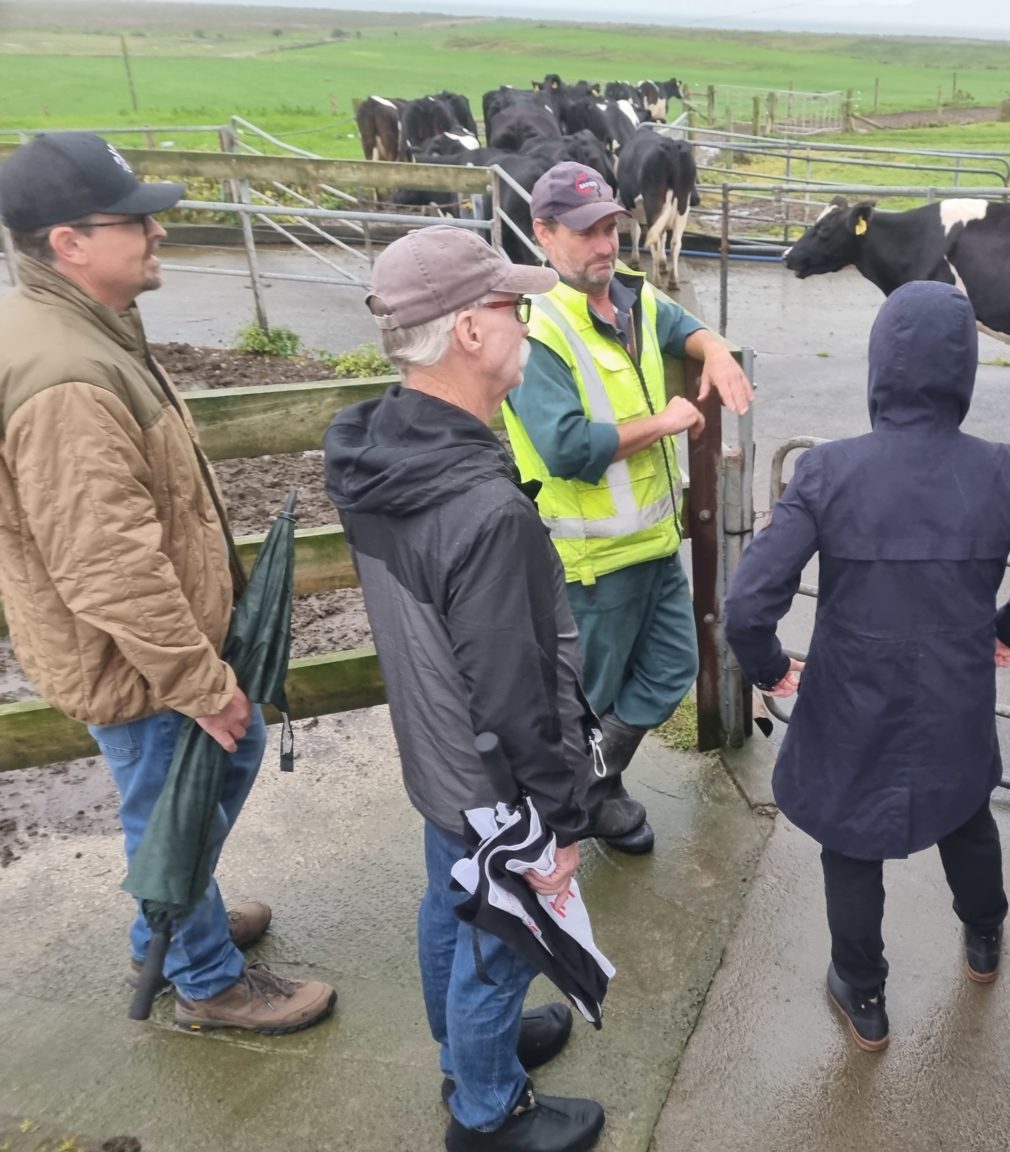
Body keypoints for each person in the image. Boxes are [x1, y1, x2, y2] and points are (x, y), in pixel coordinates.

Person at [0, 132, 336, 1034]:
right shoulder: (65, 373)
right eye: (135, 219)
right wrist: (199, 681)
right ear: (68, 242)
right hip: (139, 665)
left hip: (155, 652)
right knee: (175, 805)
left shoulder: (83, 327)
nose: (157, 230)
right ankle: (202, 975)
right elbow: (107, 561)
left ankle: (182, 907)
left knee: (195, 789)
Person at [724, 281, 1010, 1052]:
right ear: (964, 371)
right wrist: (1008, 630)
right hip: (953, 696)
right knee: (965, 814)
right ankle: (985, 938)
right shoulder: (1004, 471)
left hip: (849, 704)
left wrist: (768, 669)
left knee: (851, 846)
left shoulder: (828, 471)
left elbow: (747, 604)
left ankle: (864, 995)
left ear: (878, 368)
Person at [324, 225, 604, 1152]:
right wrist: (558, 821)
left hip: (435, 755)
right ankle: (487, 1113)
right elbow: (515, 690)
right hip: (495, 784)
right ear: (470, 334)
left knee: (450, 901)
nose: (527, 324)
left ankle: (466, 1053)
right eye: (512, 308)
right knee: (502, 945)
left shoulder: (379, 455)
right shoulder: (480, 509)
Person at [503, 161, 752, 855]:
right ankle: (566, 816)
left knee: (674, 664)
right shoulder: (537, 329)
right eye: (585, 232)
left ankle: (590, 788)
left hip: (652, 544)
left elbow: (683, 325)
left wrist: (717, 351)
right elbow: (564, 447)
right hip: (591, 561)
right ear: (544, 234)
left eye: (611, 226)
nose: (604, 244)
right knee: (583, 700)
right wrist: (667, 422)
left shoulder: (634, 299)